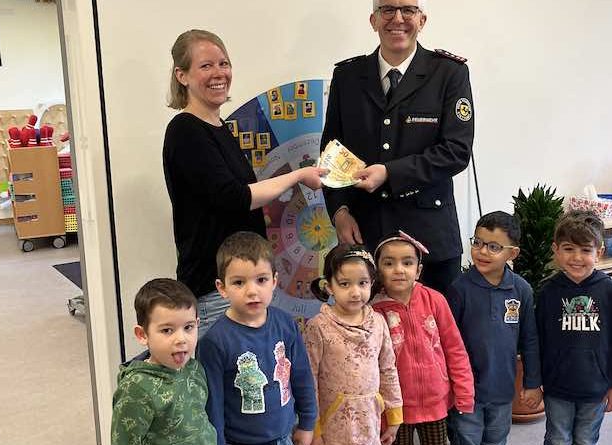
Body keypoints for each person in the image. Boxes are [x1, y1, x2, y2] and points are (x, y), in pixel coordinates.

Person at [163, 29, 325, 337]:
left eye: (223, 63)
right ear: (181, 75)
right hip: (216, 288)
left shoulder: (219, 127)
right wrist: (298, 175)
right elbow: (234, 198)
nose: (219, 73)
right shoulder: (186, 131)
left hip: (242, 282)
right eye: (206, 66)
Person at [320, 0, 474, 297]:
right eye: (388, 10)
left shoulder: (449, 74)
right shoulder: (348, 77)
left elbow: (456, 151)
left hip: (430, 241)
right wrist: (339, 211)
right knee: (367, 339)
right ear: (373, 19)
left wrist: (389, 173)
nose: (398, 19)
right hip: (366, 236)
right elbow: (332, 153)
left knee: (432, 339)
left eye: (408, 10)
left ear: (422, 19)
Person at [198, 231, 317, 445]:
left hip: (285, 437)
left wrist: (308, 423)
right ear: (222, 288)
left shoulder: (286, 324)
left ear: (274, 281)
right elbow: (213, 405)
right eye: (239, 283)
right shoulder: (213, 342)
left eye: (261, 280)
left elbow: (302, 376)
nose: (252, 291)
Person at [535, 211, 612, 445]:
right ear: (555, 250)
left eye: (586, 250)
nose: (577, 257)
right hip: (557, 388)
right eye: (569, 248)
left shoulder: (611, 293)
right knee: (557, 438)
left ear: (599, 253)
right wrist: (533, 382)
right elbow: (536, 341)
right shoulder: (548, 292)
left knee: (586, 439)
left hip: (596, 389)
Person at [446, 211, 542, 445]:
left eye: (493, 247)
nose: (482, 251)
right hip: (465, 390)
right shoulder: (459, 289)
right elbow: (447, 342)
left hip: (502, 388)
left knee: (496, 439)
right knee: (466, 439)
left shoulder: (521, 290)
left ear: (513, 253)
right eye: (477, 243)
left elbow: (530, 340)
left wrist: (532, 383)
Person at [370, 230, 474, 445]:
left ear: (418, 271)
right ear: (378, 271)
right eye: (389, 263)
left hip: (435, 401)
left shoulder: (436, 301)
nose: (399, 270)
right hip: (394, 407)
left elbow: (455, 349)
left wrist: (464, 393)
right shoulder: (373, 312)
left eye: (407, 263)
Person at [304, 244, 403, 445]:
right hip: (332, 425)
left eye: (362, 283)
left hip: (370, 421)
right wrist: (314, 429)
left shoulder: (378, 322)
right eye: (345, 284)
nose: (355, 292)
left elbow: (388, 369)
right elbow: (309, 379)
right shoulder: (318, 327)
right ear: (329, 286)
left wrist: (394, 415)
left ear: (372, 283)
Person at [111, 278, 216, 445]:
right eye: (167, 330)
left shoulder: (195, 368)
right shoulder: (136, 389)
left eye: (188, 327)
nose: (181, 339)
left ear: (197, 324)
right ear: (142, 335)